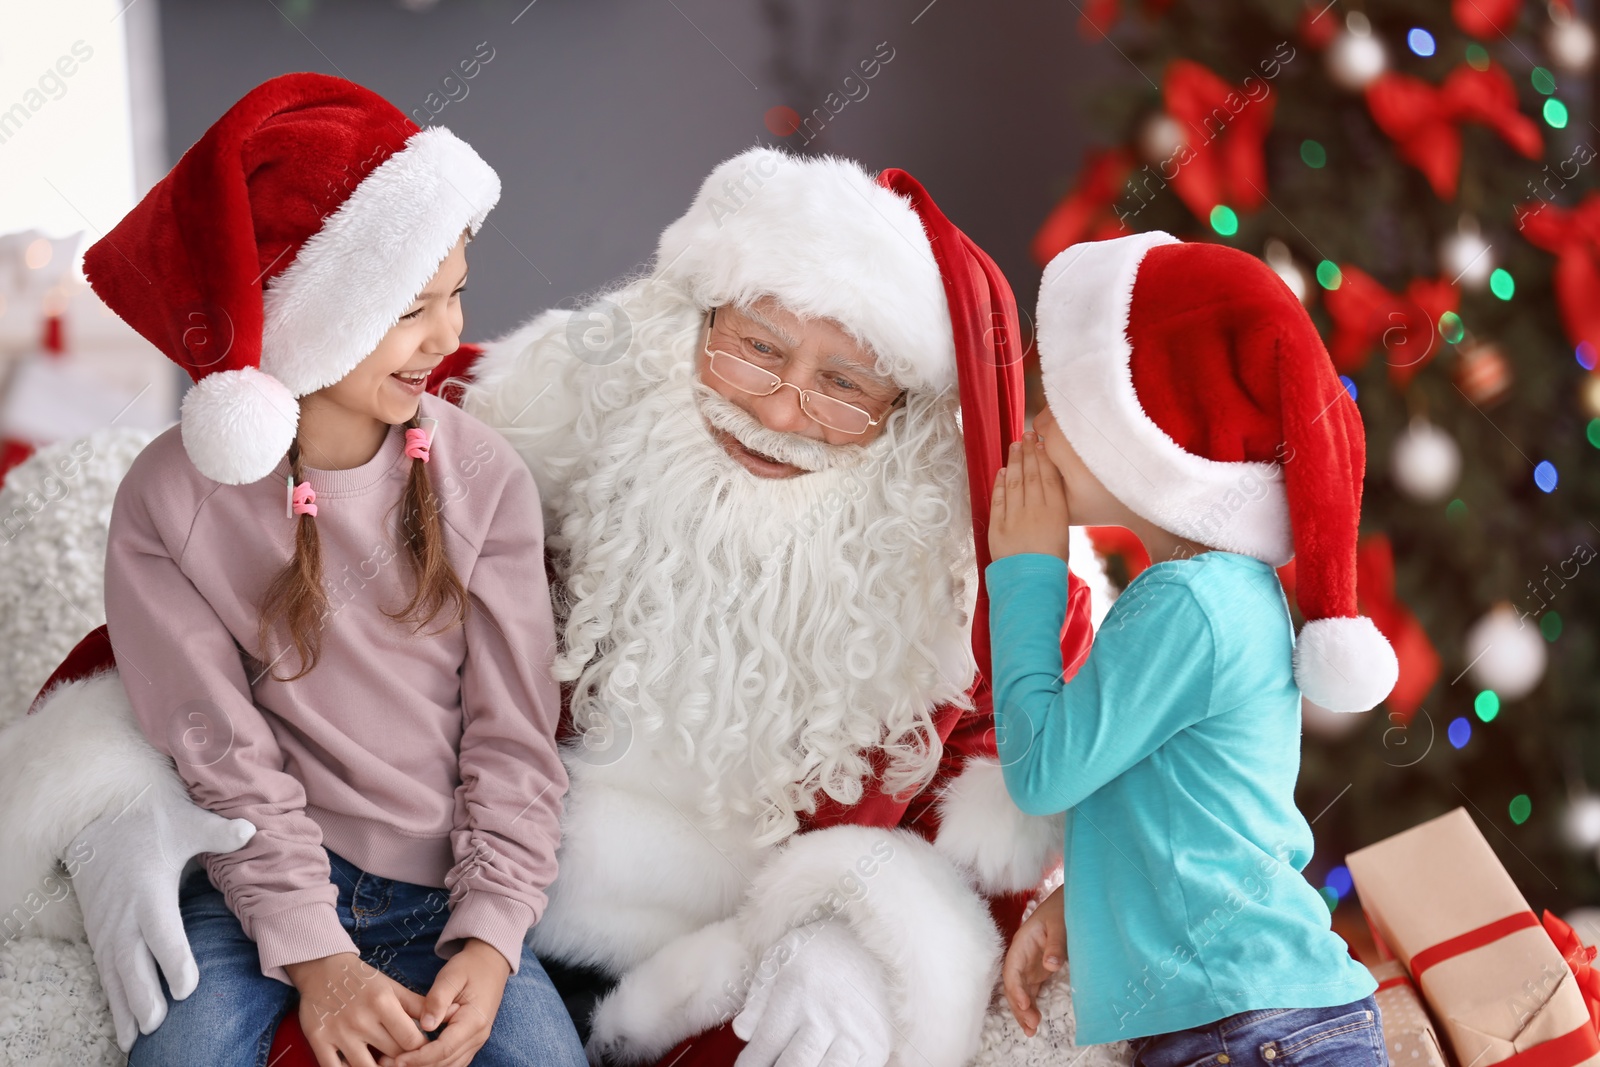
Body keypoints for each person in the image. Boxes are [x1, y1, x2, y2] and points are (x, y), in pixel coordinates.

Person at [0, 149, 1119, 1067]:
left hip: (683, 967)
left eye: (843, 386)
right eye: (755, 348)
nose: (779, 407)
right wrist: (111, 800)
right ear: (690, 321)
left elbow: (1022, 823)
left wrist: (860, 934)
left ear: (909, 418)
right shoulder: (511, 423)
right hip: (438, 891)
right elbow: (222, 609)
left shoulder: (981, 594)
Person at [57, 73, 584, 1067]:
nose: (446, 335)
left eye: (457, 292)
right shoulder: (171, 502)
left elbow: (516, 736)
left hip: (446, 891)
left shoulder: (482, 478)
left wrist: (490, 931)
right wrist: (314, 957)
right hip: (253, 884)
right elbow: (219, 747)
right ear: (304, 314)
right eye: (409, 309)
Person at [989, 231, 1398, 1064]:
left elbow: (1041, 771)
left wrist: (1026, 570)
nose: (1032, 426)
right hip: (1262, 1024)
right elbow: (1189, 807)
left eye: (1059, 406)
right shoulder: (1222, 597)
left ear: (1147, 439)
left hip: (1252, 1035)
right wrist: (1081, 908)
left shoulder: (1188, 602)